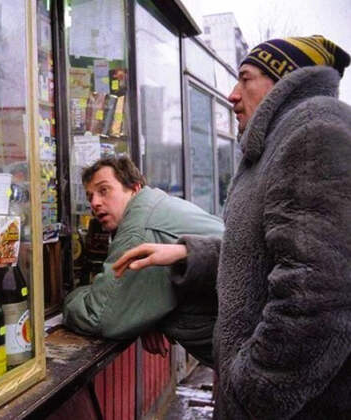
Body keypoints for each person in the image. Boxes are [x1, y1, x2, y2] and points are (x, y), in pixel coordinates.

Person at [113, 35, 351, 419]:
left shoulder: (313, 134)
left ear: (284, 80)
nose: (232, 95)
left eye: (245, 78)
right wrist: (187, 253)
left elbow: (318, 292)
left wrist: (255, 392)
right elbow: (263, 253)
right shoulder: (281, 139)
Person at [62, 156, 224, 367]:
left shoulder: (138, 230)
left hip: (248, 342)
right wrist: (149, 318)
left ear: (134, 188)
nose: (95, 203)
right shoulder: (156, 204)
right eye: (90, 196)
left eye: (104, 190)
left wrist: (70, 298)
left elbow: (99, 316)